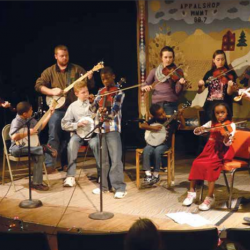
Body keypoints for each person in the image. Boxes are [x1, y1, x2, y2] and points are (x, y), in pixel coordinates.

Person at [35, 45, 95, 174]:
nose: (65, 58)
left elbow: (88, 86)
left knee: (69, 138)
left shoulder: (77, 69)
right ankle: (50, 164)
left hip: (73, 109)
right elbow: (38, 86)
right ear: (56, 56)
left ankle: (66, 164)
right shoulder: (49, 72)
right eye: (62, 56)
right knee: (53, 135)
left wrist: (89, 78)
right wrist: (51, 91)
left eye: (66, 55)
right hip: (57, 110)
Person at [182, 102, 236, 211]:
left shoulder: (230, 125)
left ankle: (210, 197)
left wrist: (226, 138)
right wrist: (198, 129)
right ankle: (192, 192)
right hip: (208, 150)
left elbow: (229, 142)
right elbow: (199, 130)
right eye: (217, 113)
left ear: (227, 113)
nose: (220, 115)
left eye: (222, 113)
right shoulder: (211, 123)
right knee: (196, 163)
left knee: (211, 167)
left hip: (221, 152)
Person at [90, 66, 127, 199]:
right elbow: (92, 109)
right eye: (102, 79)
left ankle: (119, 187)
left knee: (116, 159)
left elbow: (114, 112)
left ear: (113, 76)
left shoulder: (119, 92)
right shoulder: (101, 91)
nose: (105, 81)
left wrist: (107, 111)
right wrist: (92, 102)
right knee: (103, 160)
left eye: (107, 78)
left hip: (112, 128)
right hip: (100, 129)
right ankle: (104, 186)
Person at [9, 101, 56, 191]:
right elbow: (14, 136)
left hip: (31, 148)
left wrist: (49, 114)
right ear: (25, 113)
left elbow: (40, 126)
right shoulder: (16, 121)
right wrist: (28, 132)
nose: (32, 111)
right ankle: (43, 148)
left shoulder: (29, 119)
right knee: (36, 150)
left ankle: (36, 183)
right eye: (30, 110)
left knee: (39, 154)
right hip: (17, 148)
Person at [61, 80, 99, 187]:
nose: (86, 94)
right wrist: (77, 124)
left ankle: (101, 174)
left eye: (87, 91)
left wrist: (94, 103)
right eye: (83, 92)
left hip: (92, 133)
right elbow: (64, 124)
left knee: (96, 144)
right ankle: (70, 176)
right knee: (72, 144)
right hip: (79, 133)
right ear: (76, 93)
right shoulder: (73, 106)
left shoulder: (93, 103)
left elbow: (99, 115)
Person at [140, 104, 182, 185]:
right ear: (154, 115)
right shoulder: (154, 120)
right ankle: (148, 174)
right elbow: (142, 126)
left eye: (163, 112)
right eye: (160, 114)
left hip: (164, 144)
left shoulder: (171, 121)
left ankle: (156, 174)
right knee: (146, 149)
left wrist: (181, 116)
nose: (163, 115)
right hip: (152, 143)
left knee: (157, 150)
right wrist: (153, 128)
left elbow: (182, 126)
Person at [141, 46, 186, 115]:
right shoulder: (154, 71)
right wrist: (146, 87)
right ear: (161, 58)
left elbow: (177, 92)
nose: (168, 60)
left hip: (170, 104)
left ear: (173, 58)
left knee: (170, 125)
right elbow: (144, 85)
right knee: (156, 124)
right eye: (165, 57)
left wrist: (180, 83)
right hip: (156, 105)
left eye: (170, 57)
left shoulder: (177, 71)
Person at [197, 49, 238, 122]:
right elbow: (200, 91)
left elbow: (229, 93)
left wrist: (230, 86)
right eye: (218, 59)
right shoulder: (209, 73)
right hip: (210, 106)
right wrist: (200, 86)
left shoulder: (230, 73)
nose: (220, 62)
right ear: (213, 60)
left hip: (225, 106)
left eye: (222, 59)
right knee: (210, 129)